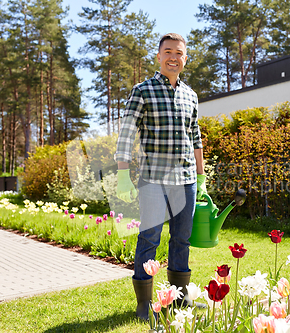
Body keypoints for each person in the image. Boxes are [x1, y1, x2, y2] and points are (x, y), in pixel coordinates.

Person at [114, 33, 207, 320]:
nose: (173, 57)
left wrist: (201, 177)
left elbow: (196, 137)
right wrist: (123, 175)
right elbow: (127, 134)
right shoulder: (142, 90)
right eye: (168, 52)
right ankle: (144, 304)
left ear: (185, 58)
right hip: (154, 179)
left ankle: (179, 300)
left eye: (179, 53)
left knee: (182, 238)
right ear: (158, 56)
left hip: (187, 179)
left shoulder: (190, 95)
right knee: (149, 238)